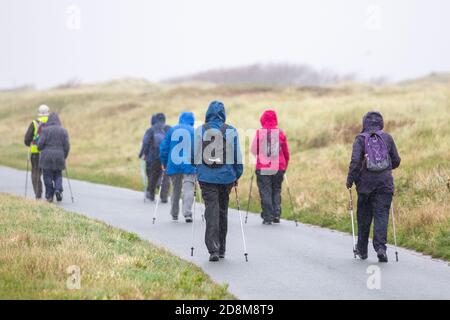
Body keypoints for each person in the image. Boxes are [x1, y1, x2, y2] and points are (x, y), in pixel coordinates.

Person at [346, 111, 401, 263]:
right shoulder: (387, 138)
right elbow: (396, 161)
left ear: (364, 123)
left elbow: (355, 163)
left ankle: (362, 250)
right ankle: (381, 248)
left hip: (365, 187)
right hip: (385, 186)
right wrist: (385, 167)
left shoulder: (360, 139)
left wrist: (349, 181)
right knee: (382, 216)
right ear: (381, 123)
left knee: (364, 218)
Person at [194, 101, 243, 262]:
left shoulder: (200, 130)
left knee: (211, 212)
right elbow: (237, 157)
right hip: (226, 178)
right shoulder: (231, 130)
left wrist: (198, 170)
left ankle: (213, 249)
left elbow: (193, 156)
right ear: (223, 113)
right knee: (222, 211)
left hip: (206, 179)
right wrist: (236, 175)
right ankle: (221, 249)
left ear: (208, 113)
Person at [251, 109, 290, 225]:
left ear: (262, 120)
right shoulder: (281, 133)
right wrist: (285, 166)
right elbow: (286, 153)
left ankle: (268, 216)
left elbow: (253, 150)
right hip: (279, 167)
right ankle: (276, 214)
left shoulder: (260, 133)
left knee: (265, 191)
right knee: (276, 190)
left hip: (263, 167)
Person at [160, 112, 196, 223]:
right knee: (189, 189)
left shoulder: (172, 130)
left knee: (176, 189)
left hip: (174, 164)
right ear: (192, 120)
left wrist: (164, 162)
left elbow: (164, 148)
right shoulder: (194, 131)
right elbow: (197, 148)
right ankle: (187, 213)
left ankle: (174, 214)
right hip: (189, 164)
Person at [37, 113, 70, 203]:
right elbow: (67, 146)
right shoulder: (63, 131)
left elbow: (40, 144)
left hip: (46, 156)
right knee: (58, 174)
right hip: (59, 156)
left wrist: (39, 148)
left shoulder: (44, 131)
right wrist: (64, 156)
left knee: (47, 175)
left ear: (49, 121)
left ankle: (49, 195)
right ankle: (58, 189)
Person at [139, 113, 171, 202]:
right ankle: (164, 196)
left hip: (154, 157)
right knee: (165, 175)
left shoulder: (151, 129)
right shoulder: (168, 128)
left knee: (153, 175)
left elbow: (145, 142)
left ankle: (151, 194)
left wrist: (142, 154)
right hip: (166, 156)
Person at [24, 105, 50, 199]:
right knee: (49, 173)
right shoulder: (51, 123)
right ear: (48, 112)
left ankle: (38, 194)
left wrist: (28, 144)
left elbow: (27, 139)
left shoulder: (34, 123)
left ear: (38, 113)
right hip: (48, 152)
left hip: (36, 152)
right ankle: (50, 194)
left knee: (36, 172)